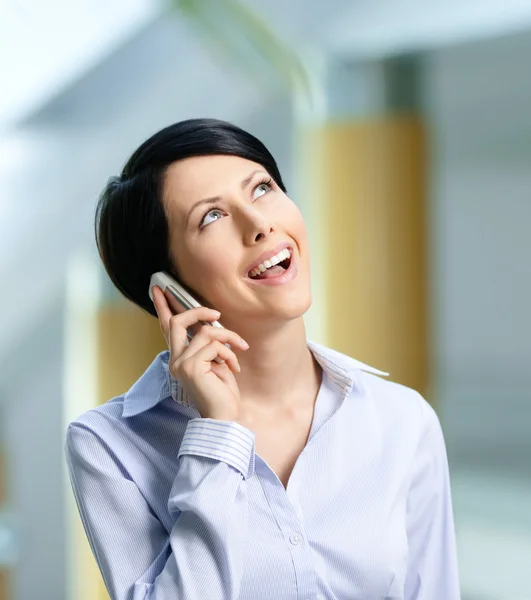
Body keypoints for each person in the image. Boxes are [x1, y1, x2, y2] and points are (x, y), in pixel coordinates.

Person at [65, 118, 460, 600]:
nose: (260, 225)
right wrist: (219, 433)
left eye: (262, 188)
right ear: (168, 291)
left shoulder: (401, 420)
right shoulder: (110, 445)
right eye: (211, 217)